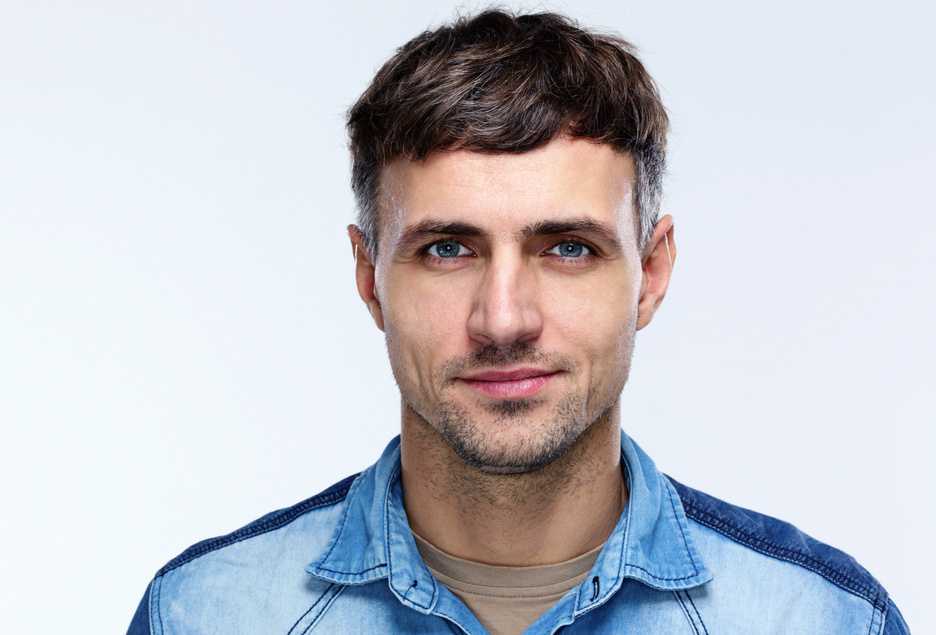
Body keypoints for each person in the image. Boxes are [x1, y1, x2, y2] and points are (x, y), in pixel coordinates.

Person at [127, 9, 908, 634]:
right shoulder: (203, 616)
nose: (503, 318)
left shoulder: (826, 621)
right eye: (446, 249)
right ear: (369, 277)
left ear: (653, 271)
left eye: (568, 247)